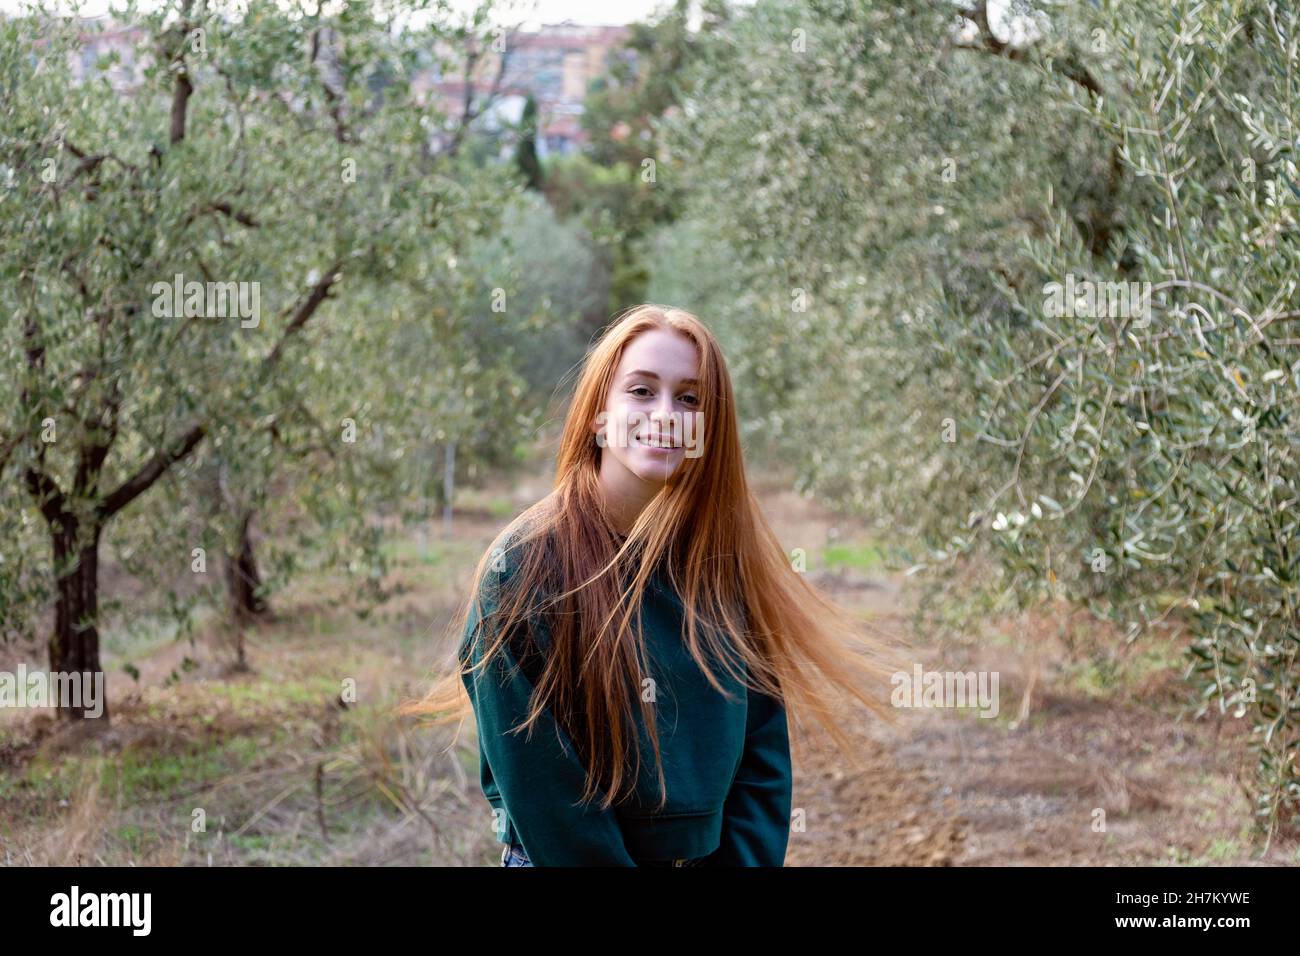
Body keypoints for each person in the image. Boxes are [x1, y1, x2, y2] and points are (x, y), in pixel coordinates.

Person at [400, 304, 898, 866]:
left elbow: (762, 760)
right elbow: (549, 802)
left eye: (689, 399)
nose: (665, 414)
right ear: (597, 414)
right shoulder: (523, 571)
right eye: (641, 390)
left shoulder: (723, 564)